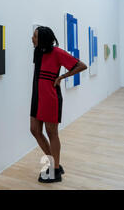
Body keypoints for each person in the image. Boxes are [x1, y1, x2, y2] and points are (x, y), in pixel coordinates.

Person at [30, 26, 87, 183]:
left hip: (51, 97)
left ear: (43, 39)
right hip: (36, 96)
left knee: (51, 132)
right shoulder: (37, 52)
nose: (32, 38)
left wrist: (62, 77)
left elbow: (82, 65)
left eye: (35, 36)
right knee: (34, 130)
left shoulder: (57, 52)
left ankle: (54, 170)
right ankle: (55, 164)